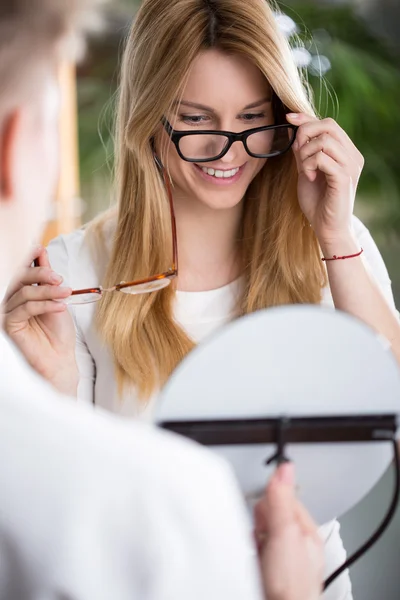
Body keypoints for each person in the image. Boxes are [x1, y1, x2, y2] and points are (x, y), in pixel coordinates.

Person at [4, 0, 400, 596]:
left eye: (254, 118)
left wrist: (337, 239)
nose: (231, 151)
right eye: (197, 121)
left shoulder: (331, 237)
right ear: (150, 116)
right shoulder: (75, 271)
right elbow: (79, 510)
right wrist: (54, 386)